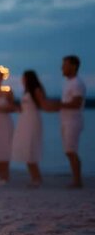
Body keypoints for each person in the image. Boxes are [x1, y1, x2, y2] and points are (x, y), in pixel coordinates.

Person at [12, 70, 53, 187]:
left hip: (32, 120)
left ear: (28, 78)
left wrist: (57, 107)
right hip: (24, 120)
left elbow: (43, 104)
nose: (22, 80)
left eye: (23, 77)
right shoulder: (26, 92)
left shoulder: (36, 90)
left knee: (31, 147)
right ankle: (34, 177)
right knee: (26, 148)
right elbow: (22, 108)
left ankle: (37, 178)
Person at [55, 55, 86, 188]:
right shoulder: (68, 83)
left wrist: (58, 105)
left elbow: (77, 103)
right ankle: (76, 179)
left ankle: (77, 181)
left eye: (65, 65)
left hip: (73, 121)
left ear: (73, 66)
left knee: (71, 150)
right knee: (69, 150)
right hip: (66, 120)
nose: (62, 67)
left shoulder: (77, 83)